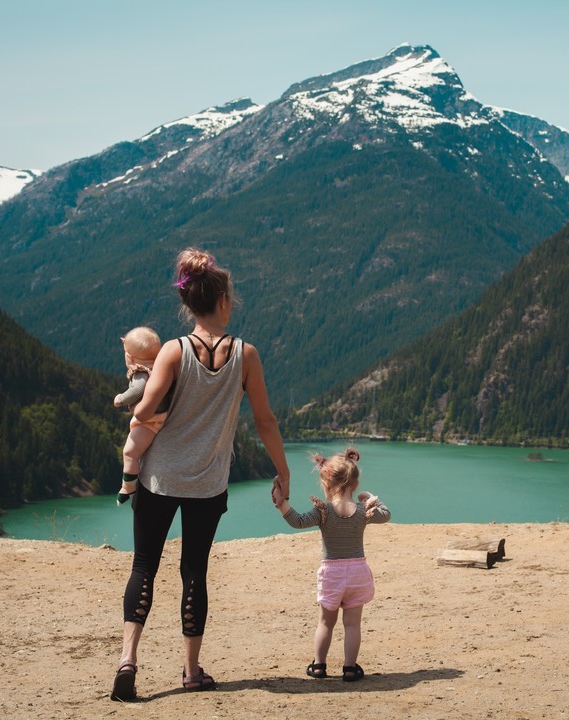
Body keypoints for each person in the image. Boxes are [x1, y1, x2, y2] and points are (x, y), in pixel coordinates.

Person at [111, 248, 291, 702]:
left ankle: (128, 660)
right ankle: (191, 671)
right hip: (208, 484)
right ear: (225, 300)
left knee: (144, 566)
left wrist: (139, 401)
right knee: (195, 572)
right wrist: (283, 469)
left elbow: (147, 407)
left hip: (158, 480)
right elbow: (265, 421)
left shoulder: (173, 351)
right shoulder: (246, 355)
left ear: (189, 304)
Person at [272, 448, 390, 682]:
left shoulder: (323, 512)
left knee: (326, 622)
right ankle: (349, 668)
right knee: (353, 624)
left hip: (332, 574)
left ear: (326, 483)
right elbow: (386, 515)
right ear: (354, 484)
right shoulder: (362, 511)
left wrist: (281, 503)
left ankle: (319, 666)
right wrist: (370, 497)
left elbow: (297, 521)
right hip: (358, 573)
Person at [113, 327, 169, 506]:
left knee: (129, 452)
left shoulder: (140, 372)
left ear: (129, 357)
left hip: (151, 422)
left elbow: (137, 391)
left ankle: (127, 486)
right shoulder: (163, 367)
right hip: (167, 416)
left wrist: (120, 399)